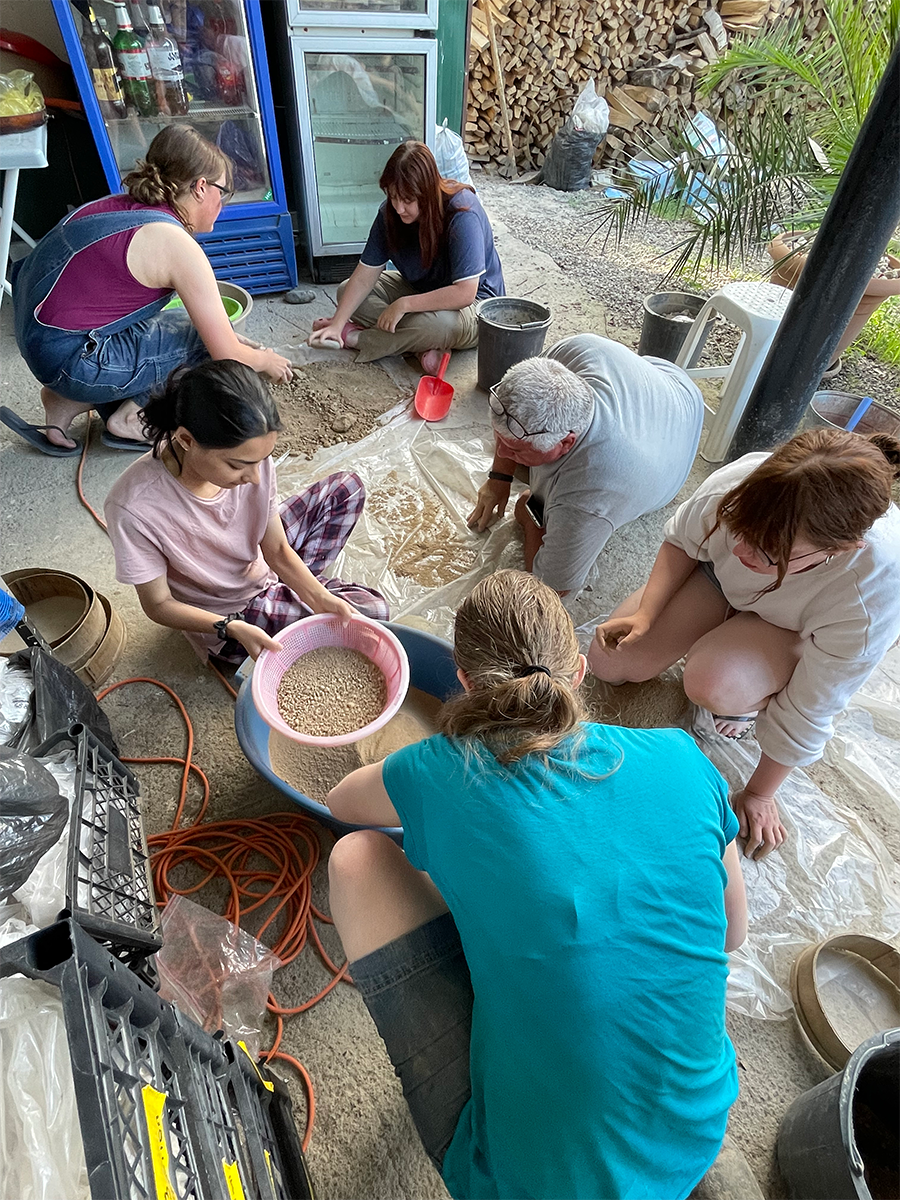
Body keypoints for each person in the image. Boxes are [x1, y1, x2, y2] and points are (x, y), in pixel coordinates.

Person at [326, 569, 747, 1200]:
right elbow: (732, 933)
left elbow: (342, 803)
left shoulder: (442, 767)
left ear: (463, 681)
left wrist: (433, 766)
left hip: (531, 1182)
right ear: (577, 670)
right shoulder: (686, 756)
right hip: (697, 1128)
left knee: (356, 861)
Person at [589, 428, 900, 860]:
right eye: (738, 528)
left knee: (713, 683)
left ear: (844, 548)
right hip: (718, 583)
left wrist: (759, 792)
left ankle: (752, 687)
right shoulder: (739, 484)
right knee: (610, 661)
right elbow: (683, 541)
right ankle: (733, 619)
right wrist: (646, 615)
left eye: (771, 552)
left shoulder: (872, 590)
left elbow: (816, 704)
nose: (742, 552)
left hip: (794, 628)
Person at [2, 125, 292, 458]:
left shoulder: (117, 206)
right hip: (69, 358)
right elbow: (226, 352)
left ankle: (63, 403)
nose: (222, 204)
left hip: (41, 343)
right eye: (223, 193)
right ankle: (133, 419)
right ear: (201, 187)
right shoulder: (175, 244)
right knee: (200, 343)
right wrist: (265, 360)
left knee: (188, 327)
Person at [103, 359, 388, 663]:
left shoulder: (253, 462)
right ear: (186, 440)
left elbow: (277, 549)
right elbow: (158, 604)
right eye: (237, 465)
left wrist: (317, 596)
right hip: (230, 611)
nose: (254, 477)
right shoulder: (134, 507)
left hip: (259, 562)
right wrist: (229, 627)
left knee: (346, 488)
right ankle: (274, 611)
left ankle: (291, 596)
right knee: (374, 615)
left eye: (262, 459)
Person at [467, 333, 704, 596]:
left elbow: (554, 589)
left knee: (538, 504)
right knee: (517, 439)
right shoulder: (563, 359)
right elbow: (507, 415)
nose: (500, 451)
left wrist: (529, 515)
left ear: (566, 443)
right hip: (670, 384)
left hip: (669, 460)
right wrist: (499, 478)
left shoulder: (589, 491)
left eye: (514, 449)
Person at [307, 141, 504, 372]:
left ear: (428, 192)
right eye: (393, 196)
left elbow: (465, 292)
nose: (399, 208)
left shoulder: (462, 212)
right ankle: (420, 346)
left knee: (440, 326)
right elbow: (363, 278)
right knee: (345, 291)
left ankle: (356, 339)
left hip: (476, 305)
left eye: (408, 200)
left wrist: (404, 305)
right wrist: (338, 321)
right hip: (421, 290)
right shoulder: (389, 213)